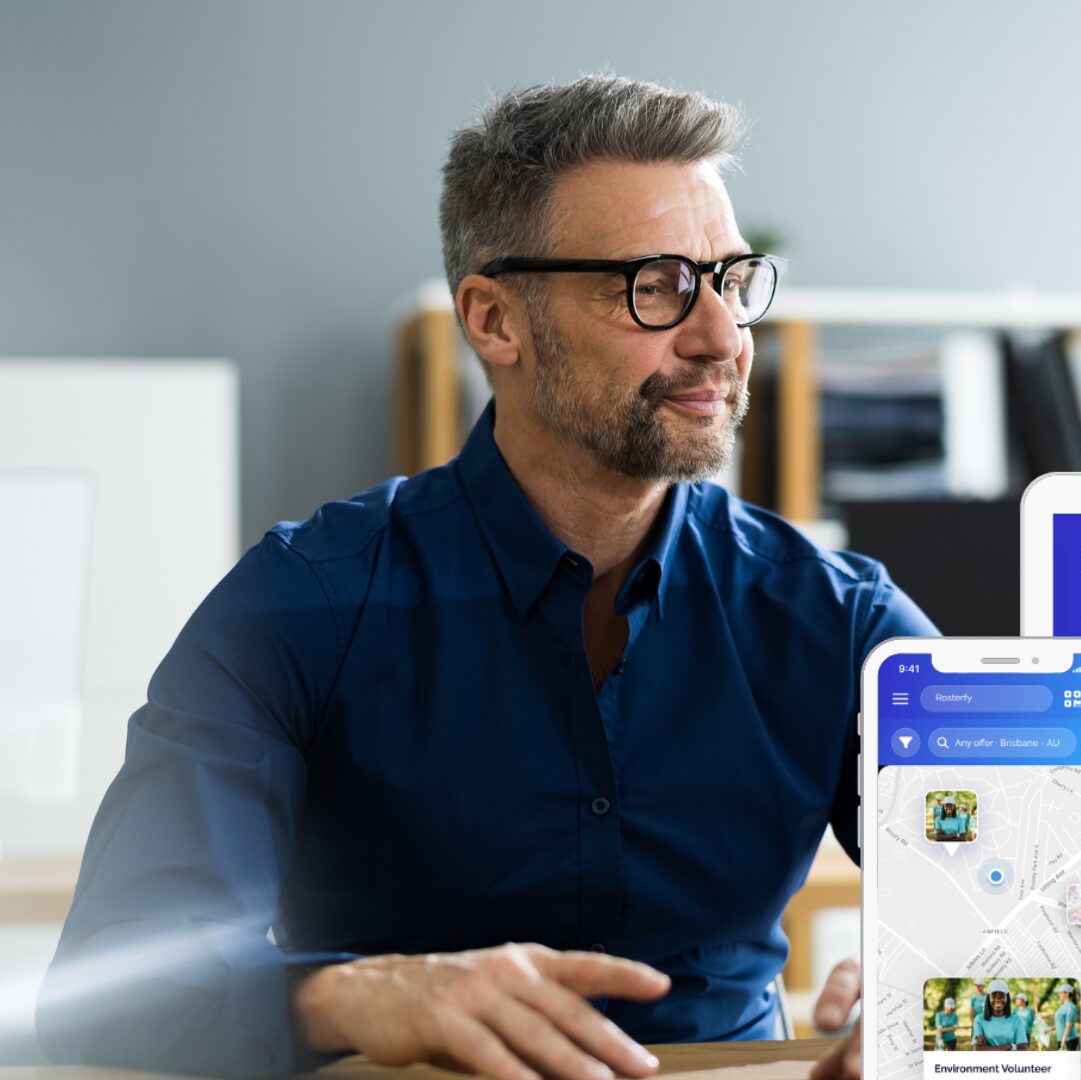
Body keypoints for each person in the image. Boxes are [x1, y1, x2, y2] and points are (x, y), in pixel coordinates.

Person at [35, 75, 935, 1080]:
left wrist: (936, 978)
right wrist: (352, 993)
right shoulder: (300, 606)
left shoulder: (840, 620)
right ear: (495, 320)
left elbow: (1058, 891)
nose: (721, 337)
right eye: (657, 286)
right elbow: (105, 988)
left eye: (730, 280)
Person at [971, 981, 1019, 1050]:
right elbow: (978, 1048)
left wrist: (986, 1048)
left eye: (979, 986)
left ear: (983, 986)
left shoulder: (986, 995)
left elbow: (1021, 1047)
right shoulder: (974, 997)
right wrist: (1009, 1046)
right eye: (976, 986)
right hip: (981, 1022)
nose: (977, 987)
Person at [1053, 984, 1079, 1051]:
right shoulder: (1063, 1006)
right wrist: (1049, 1030)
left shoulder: (1070, 1007)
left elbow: (1068, 1026)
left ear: (1067, 993)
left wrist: (1063, 1041)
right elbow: (1061, 1023)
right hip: (1062, 1039)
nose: (1059, 994)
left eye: (1060, 992)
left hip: (1068, 1040)